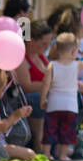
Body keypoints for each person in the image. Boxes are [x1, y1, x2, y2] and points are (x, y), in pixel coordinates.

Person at [40, 32, 83, 161]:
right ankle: (62, 155)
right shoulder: (77, 64)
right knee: (67, 132)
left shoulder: (52, 65)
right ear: (73, 51)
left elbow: (45, 84)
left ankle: (46, 154)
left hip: (54, 104)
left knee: (50, 130)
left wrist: (43, 98)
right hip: (70, 106)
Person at [12, 19, 53, 153]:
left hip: (44, 93)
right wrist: (49, 85)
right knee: (38, 98)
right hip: (24, 98)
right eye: (43, 44)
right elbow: (27, 86)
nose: (46, 48)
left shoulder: (41, 57)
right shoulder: (21, 58)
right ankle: (38, 142)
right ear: (31, 41)